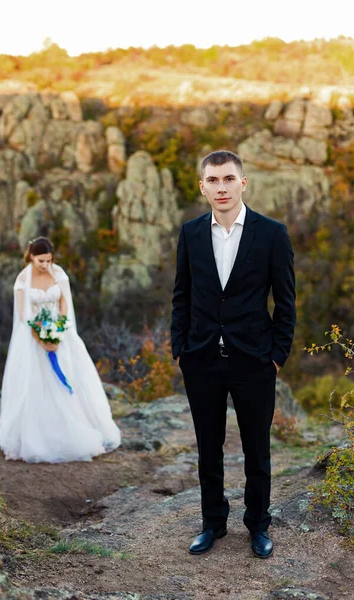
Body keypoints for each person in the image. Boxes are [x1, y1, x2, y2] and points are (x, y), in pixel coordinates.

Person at [171, 150, 295, 558]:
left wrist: (276, 354)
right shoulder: (190, 233)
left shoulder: (272, 233)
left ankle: (258, 526)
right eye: (212, 180)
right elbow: (182, 296)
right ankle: (213, 524)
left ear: (243, 183)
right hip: (201, 359)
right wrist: (180, 349)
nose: (220, 187)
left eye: (228, 179)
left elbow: (286, 302)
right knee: (209, 448)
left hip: (255, 360)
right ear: (202, 186)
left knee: (257, 449)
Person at [0, 237, 121, 463]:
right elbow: (22, 312)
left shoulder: (58, 274)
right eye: (41, 260)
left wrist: (58, 329)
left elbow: (64, 303)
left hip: (60, 333)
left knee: (71, 378)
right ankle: (38, 436)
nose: (45, 265)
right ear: (31, 256)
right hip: (33, 335)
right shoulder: (23, 279)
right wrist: (39, 334)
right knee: (36, 384)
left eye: (49, 260)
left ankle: (76, 428)